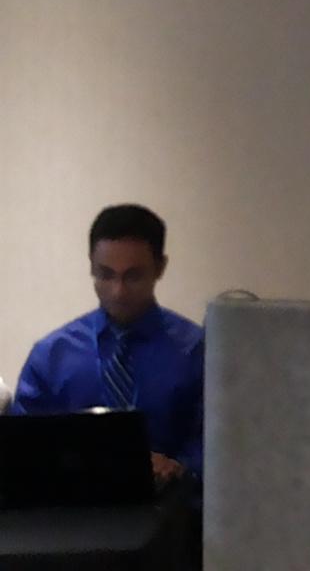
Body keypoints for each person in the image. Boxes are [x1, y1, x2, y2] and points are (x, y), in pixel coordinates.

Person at [10, 204, 204, 485]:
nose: (118, 291)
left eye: (133, 276)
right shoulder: (52, 356)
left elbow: (222, 442)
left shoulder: (197, 351)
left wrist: (179, 466)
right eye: (106, 274)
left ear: (160, 267)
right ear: (91, 265)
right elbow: (19, 449)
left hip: (172, 504)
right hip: (70, 503)